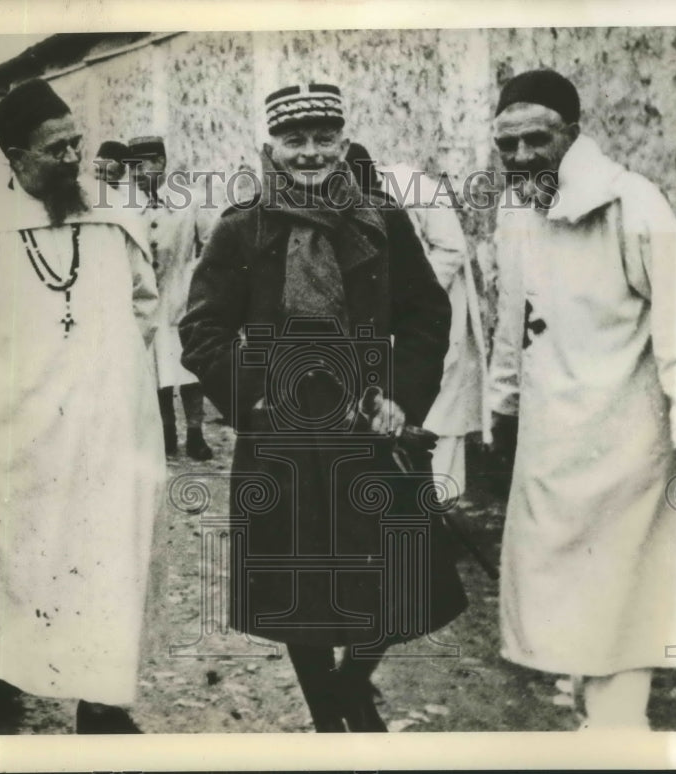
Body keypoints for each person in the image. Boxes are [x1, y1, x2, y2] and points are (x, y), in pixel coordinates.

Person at [180, 82, 468, 732]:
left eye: (322, 137)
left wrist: (402, 398)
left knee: (400, 575)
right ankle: (328, 718)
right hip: (278, 430)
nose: (309, 153)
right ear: (271, 146)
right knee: (296, 588)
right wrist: (252, 398)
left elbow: (426, 313)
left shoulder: (382, 219)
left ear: (343, 141)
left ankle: (348, 686)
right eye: (294, 139)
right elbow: (201, 331)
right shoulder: (240, 229)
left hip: (367, 421)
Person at [486, 69, 676, 729]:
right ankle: (591, 717)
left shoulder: (633, 202)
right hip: (554, 439)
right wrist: (504, 402)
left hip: (628, 437)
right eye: (507, 145)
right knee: (565, 589)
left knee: (626, 590)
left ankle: (618, 730)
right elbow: (513, 317)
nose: (520, 158)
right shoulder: (516, 209)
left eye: (536, 140)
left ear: (571, 134)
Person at [0, 78, 165, 734]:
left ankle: (100, 700)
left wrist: (112, 374)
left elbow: (145, 301)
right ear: (17, 158)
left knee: (104, 557)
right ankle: (2, 679)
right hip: (13, 434)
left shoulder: (115, 219)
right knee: (10, 556)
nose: (73, 159)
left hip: (105, 432)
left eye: (76, 144)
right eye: (57, 150)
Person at [346, 144, 488, 500]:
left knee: (441, 421)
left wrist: (404, 300)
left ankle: (440, 509)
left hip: (436, 316)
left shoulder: (413, 186)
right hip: (392, 329)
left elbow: (452, 248)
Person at [127, 135, 214, 460]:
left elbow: (210, 241)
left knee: (189, 370)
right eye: (131, 167)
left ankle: (195, 433)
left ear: (160, 164)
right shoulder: (126, 206)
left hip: (182, 297)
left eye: (142, 165)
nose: (135, 173)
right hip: (146, 299)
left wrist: (198, 278)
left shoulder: (188, 201)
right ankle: (166, 432)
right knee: (155, 370)